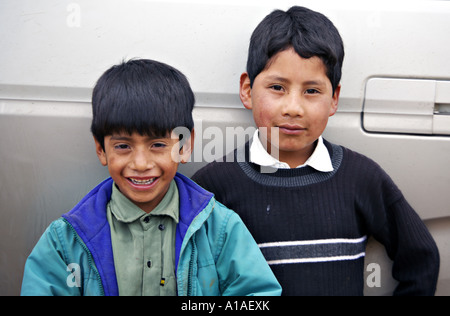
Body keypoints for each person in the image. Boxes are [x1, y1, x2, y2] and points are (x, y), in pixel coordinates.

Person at [192, 6, 440, 295]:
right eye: (277, 87)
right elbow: (189, 281)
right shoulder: (214, 188)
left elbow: (421, 259)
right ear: (247, 89)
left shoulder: (361, 178)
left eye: (312, 91)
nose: (294, 108)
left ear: (334, 98)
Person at [20, 59, 281, 296]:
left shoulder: (219, 230)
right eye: (123, 146)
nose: (141, 164)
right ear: (101, 149)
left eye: (157, 144)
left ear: (185, 146)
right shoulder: (66, 242)